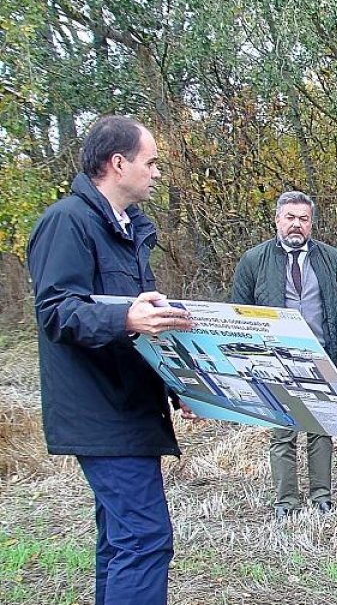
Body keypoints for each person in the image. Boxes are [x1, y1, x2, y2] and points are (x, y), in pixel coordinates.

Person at [27, 115, 195, 604]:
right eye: (151, 162)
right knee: (145, 540)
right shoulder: (68, 222)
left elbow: (135, 324)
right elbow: (58, 313)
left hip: (130, 408)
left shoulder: (128, 230)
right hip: (100, 414)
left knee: (120, 542)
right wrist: (128, 318)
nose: (157, 173)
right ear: (118, 164)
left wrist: (176, 383)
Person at [230, 191, 337, 520]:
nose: (297, 225)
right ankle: (286, 501)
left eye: (303, 219)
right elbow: (238, 309)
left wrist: (332, 346)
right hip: (274, 359)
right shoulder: (254, 260)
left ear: (311, 223)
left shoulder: (330, 258)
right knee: (283, 432)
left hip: (320, 356)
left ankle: (321, 495)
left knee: (321, 429)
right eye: (290, 218)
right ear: (277, 220)